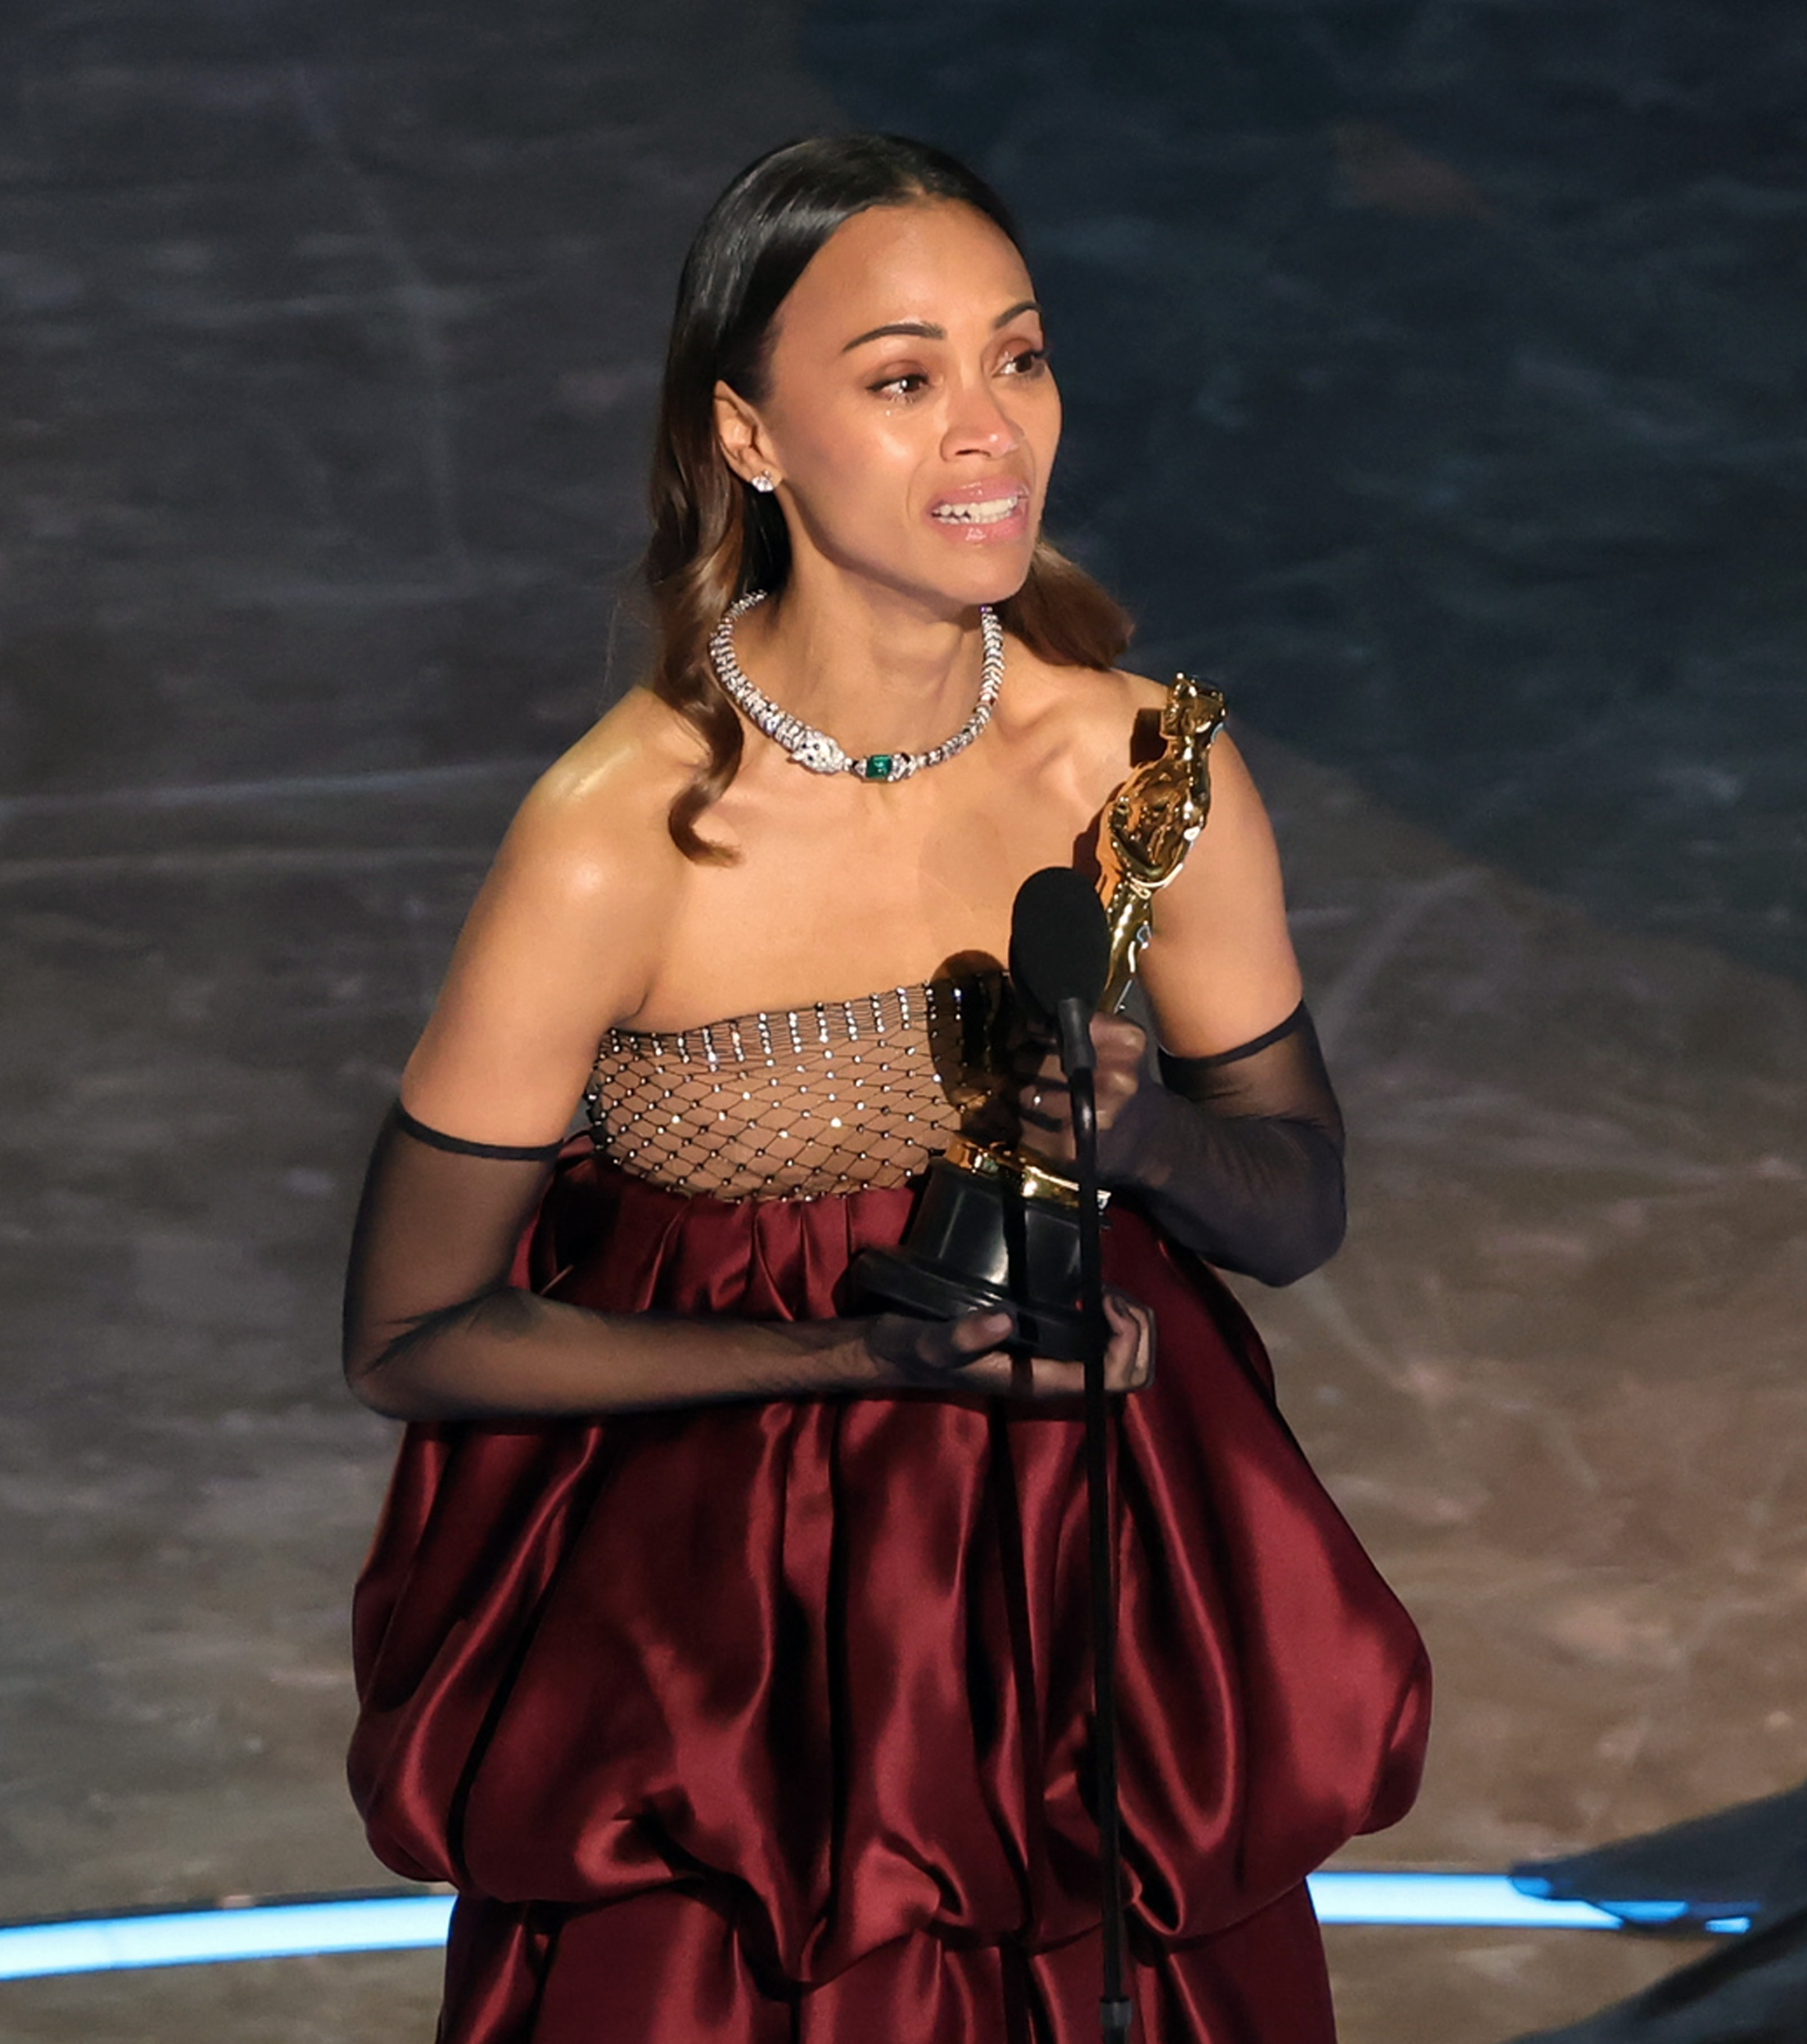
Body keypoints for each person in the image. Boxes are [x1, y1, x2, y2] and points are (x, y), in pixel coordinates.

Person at [343, 133, 1430, 2043]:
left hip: (1086, 1633)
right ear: (750, 437)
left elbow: (1298, 1204)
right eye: (905, 379)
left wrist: (1145, 1134)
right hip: (724, 1687)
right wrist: (859, 1363)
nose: (990, 432)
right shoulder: (619, 837)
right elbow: (417, 1328)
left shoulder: (1141, 765)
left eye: (1019, 359)